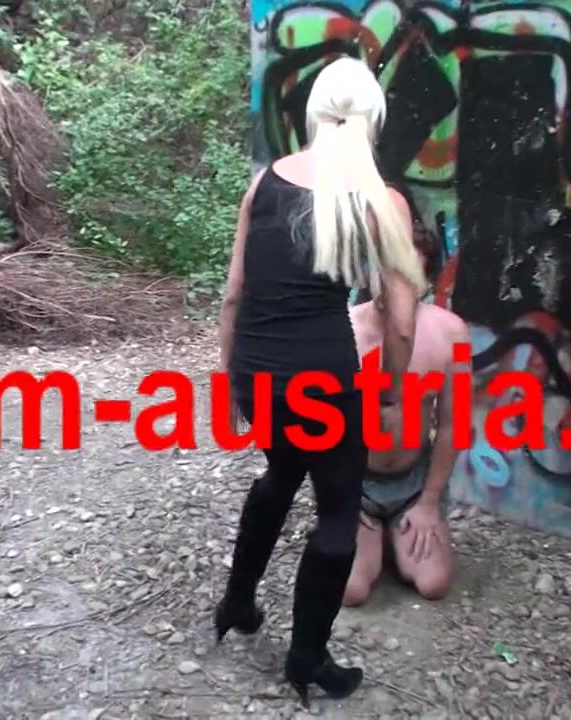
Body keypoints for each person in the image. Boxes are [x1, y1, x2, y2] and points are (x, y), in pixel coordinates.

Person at [212, 56, 427, 708]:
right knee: (337, 512)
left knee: (281, 471)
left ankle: (238, 602)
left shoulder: (264, 183)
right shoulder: (381, 200)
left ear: (313, 113)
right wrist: (391, 390)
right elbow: (402, 323)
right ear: (372, 119)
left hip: (257, 372)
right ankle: (307, 658)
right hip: (323, 383)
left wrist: (233, 382)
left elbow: (234, 294)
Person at [342, 296, 469, 606]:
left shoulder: (450, 331)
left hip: (414, 482)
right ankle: (370, 535)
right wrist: (337, 497)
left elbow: (454, 426)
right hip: (354, 481)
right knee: (350, 590)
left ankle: (397, 531)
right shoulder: (343, 327)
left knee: (433, 584)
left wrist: (429, 501)